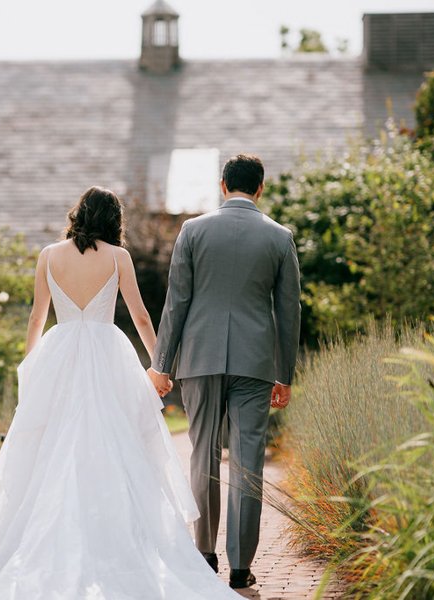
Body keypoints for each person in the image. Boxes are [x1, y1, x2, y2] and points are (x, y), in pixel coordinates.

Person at [0, 186, 242, 599]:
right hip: (109, 353)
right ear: (113, 221)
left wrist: (31, 366)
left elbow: (38, 316)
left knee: (51, 449)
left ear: (78, 214)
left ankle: (46, 541)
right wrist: (160, 366)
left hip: (59, 353)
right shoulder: (118, 257)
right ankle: (116, 535)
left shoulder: (48, 255)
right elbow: (142, 316)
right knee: (117, 444)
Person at [148, 154, 301, 589]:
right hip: (255, 364)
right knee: (248, 460)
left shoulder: (193, 231)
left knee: (202, 454)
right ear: (261, 188)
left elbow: (176, 301)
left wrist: (162, 364)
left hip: (200, 358)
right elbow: (288, 310)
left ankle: (203, 554)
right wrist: (284, 373)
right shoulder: (279, 236)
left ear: (222, 185)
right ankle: (241, 565)